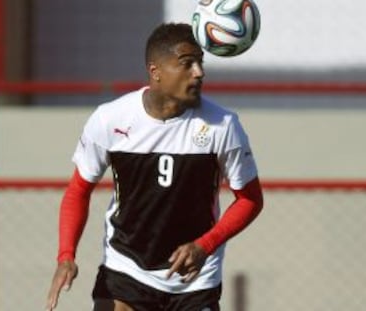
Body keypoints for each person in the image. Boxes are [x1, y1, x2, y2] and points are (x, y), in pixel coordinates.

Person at [46, 22, 263, 311]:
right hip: (126, 269)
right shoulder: (110, 119)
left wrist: (204, 246)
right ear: (155, 72)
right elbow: (78, 191)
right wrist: (66, 255)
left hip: (194, 280)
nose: (199, 72)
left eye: (200, 62)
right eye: (187, 64)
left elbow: (250, 200)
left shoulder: (222, 126)